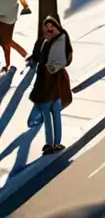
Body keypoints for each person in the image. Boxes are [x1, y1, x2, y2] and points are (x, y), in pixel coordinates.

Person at [27, 15, 72, 155]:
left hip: (53, 84)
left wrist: (51, 68)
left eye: (51, 30)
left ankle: (55, 143)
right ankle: (51, 143)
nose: (48, 33)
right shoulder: (48, 43)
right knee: (48, 116)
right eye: (46, 30)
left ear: (56, 28)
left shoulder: (59, 42)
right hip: (47, 84)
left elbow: (63, 60)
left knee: (54, 114)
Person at [0, 0, 30, 73]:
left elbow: (5, 7)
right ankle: (24, 56)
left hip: (7, 21)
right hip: (5, 19)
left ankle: (23, 56)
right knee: (6, 42)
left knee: (6, 43)